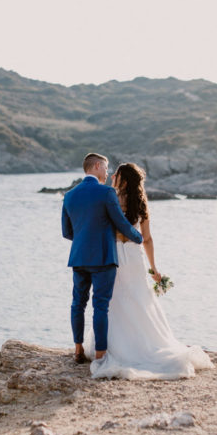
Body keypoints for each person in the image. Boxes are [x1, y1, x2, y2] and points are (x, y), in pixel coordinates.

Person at [84, 162, 214, 380]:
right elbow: (147, 239)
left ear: (123, 181)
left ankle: (113, 347)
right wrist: (154, 268)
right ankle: (145, 344)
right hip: (135, 258)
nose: (112, 175)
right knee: (140, 300)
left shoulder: (110, 199)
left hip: (114, 256)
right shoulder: (141, 205)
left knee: (112, 301)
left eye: (117, 174)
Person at [62, 153, 143, 364]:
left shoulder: (69, 195)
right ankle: (100, 355)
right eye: (106, 169)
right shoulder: (106, 192)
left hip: (79, 258)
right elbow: (121, 224)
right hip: (103, 258)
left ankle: (78, 350)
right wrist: (138, 237)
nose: (107, 174)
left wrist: (83, 241)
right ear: (97, 166)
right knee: (100, 306)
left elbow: (66, 232)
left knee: (77, 304)